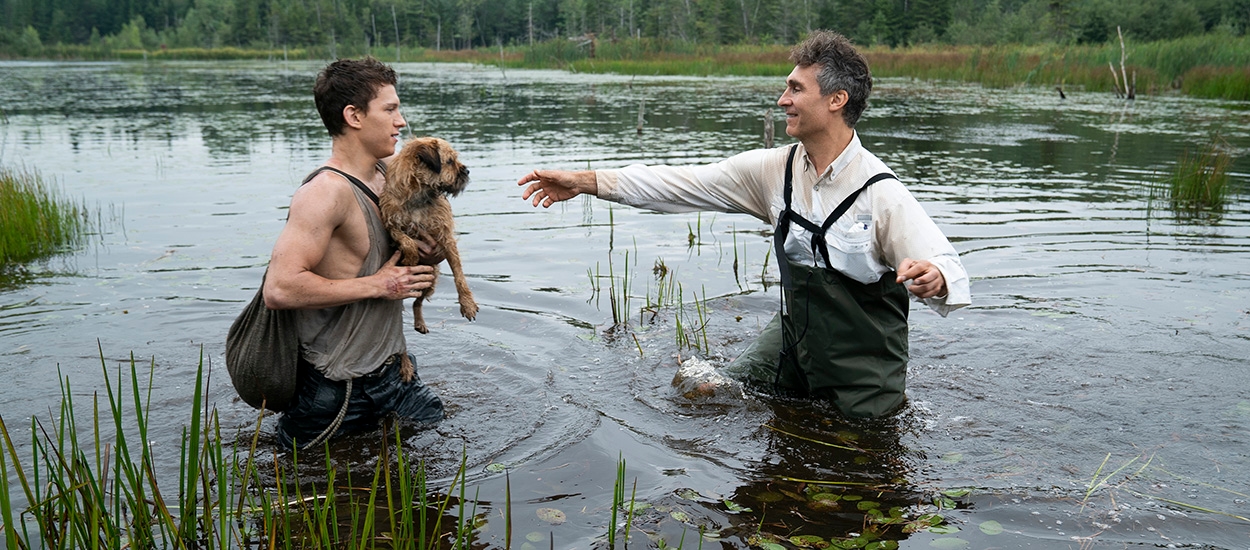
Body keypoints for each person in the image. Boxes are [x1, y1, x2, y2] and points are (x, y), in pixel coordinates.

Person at [517, 31, 970, 419]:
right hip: (794, 339)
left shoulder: (882, 192)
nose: (782, 100)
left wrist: (935, 277)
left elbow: (946, 263)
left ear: (836, 100)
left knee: (862, 452)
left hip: (863, 368)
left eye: (795, 89)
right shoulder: (773, 170)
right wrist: (587, 181)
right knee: (702, 391)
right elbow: (682, 182)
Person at [264, 57, 445, 449]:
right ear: (354, 116)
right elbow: (279, 289)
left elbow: (404, 264)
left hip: (396, 376)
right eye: (391, 109)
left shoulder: (388, 174)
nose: (402, 120)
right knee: (307, 500)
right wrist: (378, 285)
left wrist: (430, 254)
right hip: (335, 395)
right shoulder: (323, 193)